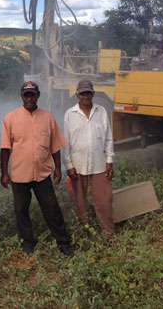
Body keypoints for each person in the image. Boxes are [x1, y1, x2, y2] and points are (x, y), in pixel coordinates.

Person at [0, 81, 73, 256]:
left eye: (32, 94)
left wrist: (57, 168)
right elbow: (5, 148)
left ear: (38, 95)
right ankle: (28, 242)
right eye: (27, 95)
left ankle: (63, 243)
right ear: (22, 96)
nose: (30, 98)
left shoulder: (48, 118)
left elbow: (55, 146)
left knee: (52, 209)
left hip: (42, 173)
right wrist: (4, 172)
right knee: (21, 210)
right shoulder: (10, 118)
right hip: (19, 174)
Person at [63, 79, 115, 237]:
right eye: (82, 93)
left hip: (99, 163)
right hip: (78, 166)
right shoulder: (70, 114)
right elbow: (66, 142)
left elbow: (108, 138)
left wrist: (109, 161)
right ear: (77, 95)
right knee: (80, 202)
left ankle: (108, 233)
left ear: (93, 94)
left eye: (88, 93)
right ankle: (85, 232)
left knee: (104, 201)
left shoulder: (101, 111)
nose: (86, 96)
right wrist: (69, 165)